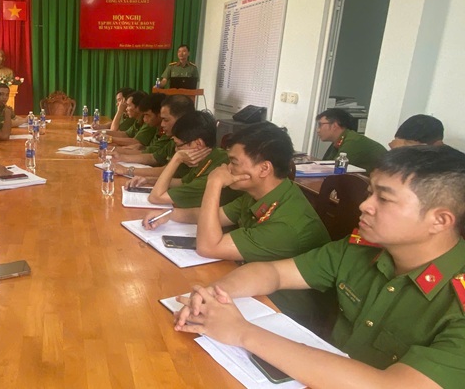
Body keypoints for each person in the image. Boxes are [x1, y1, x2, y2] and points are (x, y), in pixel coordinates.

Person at [174, 146, 465, 388]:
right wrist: (216, 294)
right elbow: (273, 273)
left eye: (384, 199)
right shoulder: (360, 248)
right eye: (370, 193)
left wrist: (241, 332)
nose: (365, 205)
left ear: (439, 220)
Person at [145, 122, 331, 328]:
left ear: (264, 169)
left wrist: (214, 182)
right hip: (252, 287)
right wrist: (171, 214)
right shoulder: (261, 194)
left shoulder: (288, 223)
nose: (226, 168)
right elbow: (213, 215)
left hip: (284, 312)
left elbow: (207, 247)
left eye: (233, 162)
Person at [132, 110, 241, 208]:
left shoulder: (215, 168)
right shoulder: (213, 155)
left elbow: (156, 197)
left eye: (178, 145)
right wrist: (148, 180)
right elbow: (182, 182)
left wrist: (177, 159)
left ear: (198, 144)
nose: (176, 150)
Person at [115, 94, 194, 170]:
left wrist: (126, 170)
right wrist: (120, 157)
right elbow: (154, 157)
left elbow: (166, 171)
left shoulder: (190, 143)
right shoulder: (173, 139)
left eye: (166, 120)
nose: (162, 124)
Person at [317, 108, 386, 173]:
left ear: (335, 125)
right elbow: (327, 163)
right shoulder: (341, 139)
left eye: (320, 125)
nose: (318, 130)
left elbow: (335, 169)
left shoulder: (353, 142)